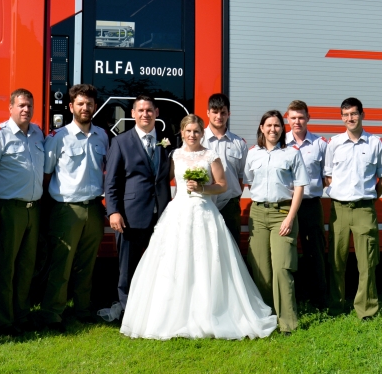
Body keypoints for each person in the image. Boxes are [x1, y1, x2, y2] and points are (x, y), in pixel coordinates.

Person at [120, 114, 277, 340]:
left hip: (204, 212)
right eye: (188, 131)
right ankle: (173, 314)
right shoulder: (174, 155)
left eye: (196, 131)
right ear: (182, 133)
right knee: (175, 262)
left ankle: (210, 311)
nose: (192, 135)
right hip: (178, 213)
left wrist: (203, 188)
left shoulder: (211, 156)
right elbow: (162, 179)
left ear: (202, 133)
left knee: (206, 262)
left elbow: (222, 185)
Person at [40, 84, 108, 331]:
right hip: (66, 209)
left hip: (93, 208)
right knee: (62, 264)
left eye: (89, 104)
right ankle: (52, 314)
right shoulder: (58, 138)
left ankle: (82, 309)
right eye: (80, 103)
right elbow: (46, 176)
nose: (85, 108)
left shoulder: (102, 136)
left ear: (95, 107)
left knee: (86, 264)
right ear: (71, 107)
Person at [0, 88, 45, 336]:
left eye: (29, 105)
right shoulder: (0, 135)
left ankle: (22, 315)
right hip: (8, 209)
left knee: (27, 267)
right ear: (10, 108)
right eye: (21, 105)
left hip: (32, 209)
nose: (26, 109)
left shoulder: (37, 133)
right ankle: (3, 321)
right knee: (4, 268)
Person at [104, 95, 174, 318]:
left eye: (149, 110)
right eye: (140, 110)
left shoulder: (167, 140)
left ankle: (156, 310)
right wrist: (113, 211)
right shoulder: (121, 142)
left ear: (157, 112)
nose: (145, 114)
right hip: (131, 215)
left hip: (161, 216)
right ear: (132, 114)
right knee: (128, 268)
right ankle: (128, 311)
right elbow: (112, 181)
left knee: (160, 266)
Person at [324, 97, 382, 320]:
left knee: (367, 263)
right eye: (345, 115)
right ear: (341, 117)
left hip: (364, 210)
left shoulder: (376, 143)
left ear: (362, 114)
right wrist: (339, 193)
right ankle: (336, 306)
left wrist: (370, 198)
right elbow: (327, 176)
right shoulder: (334, 144)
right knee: (336, 261)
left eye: (353, 113)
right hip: (339, 210)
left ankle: (367, 310)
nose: (349, 118)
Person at [244, 110, 308, 336]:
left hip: (283, 213)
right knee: (261, 270)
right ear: (261, 128)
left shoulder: (291, 154)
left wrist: (290, 217)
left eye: (277, 126)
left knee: (282, 269)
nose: (273, 129)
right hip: (259, 215)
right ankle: (266, 318)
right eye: (268, 125)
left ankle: (288, 323)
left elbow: (300, 186)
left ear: (283, 129)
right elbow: (249, 182)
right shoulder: (252, 155)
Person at [285, 100, 329, 309]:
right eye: (293, 118)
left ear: (308, 118)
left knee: (315, 253)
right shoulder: (279, 143)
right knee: (288, 252)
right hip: (286, 206)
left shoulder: (320, 144)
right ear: (287, 119)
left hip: (311, 205)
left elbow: (328, 175)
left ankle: (319, 300)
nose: (297, 121)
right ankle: (293, 299)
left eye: (301, 117)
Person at [201, 93, 247, 247]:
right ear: (208, 112)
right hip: (204, 202)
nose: (219, 116)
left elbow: (241, 176)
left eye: (223, 112)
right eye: (215, 111)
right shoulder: (198, 140)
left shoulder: (239, 143)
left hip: (230, 205)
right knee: (205, 247)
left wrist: (233, 197)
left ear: (229, 113)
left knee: (232, 248)